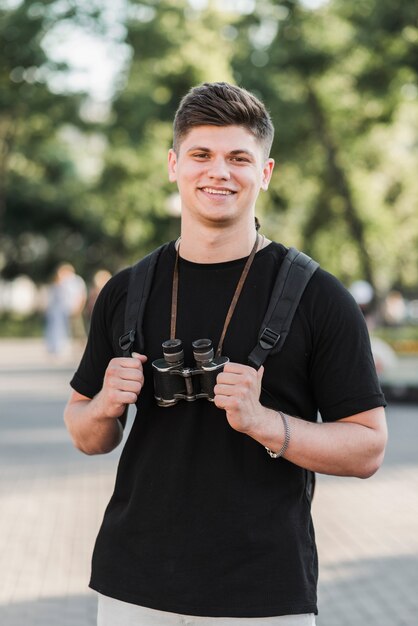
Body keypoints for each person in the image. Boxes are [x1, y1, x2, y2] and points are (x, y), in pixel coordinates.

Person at [64, 82, 387, 626]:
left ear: (264, 172)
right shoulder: (125, 291)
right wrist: (102, 406)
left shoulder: (318, 295)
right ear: (174, 165)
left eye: (239, 158)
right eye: (201, 155)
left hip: (262, 596)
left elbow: (368, 447)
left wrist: (265, 424)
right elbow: (85, 432)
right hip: (134, 588)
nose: (219, 171)